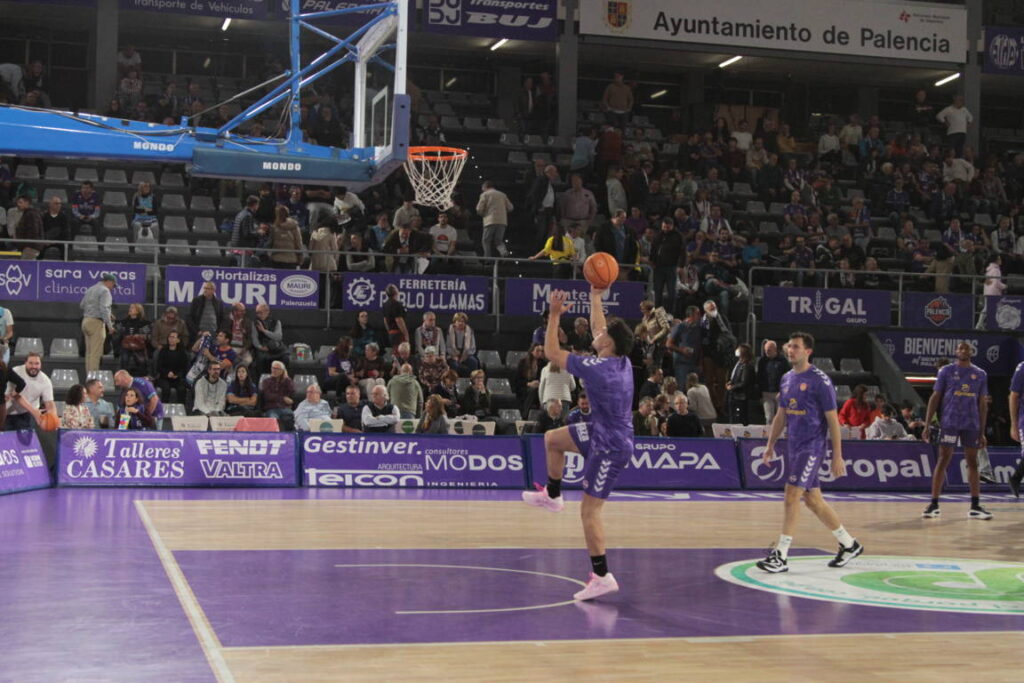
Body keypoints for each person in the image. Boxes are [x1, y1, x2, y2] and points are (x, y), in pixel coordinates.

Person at [522, 286, 635, 602]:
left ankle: (602, 576)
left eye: (602, 334)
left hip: (610, 446)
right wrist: (596, 295)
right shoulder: (620, 359)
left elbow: (552, 353)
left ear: (608, 344)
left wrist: (555, 316)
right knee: (552, 439)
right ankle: (554, 496)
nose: (596, 333)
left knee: (590, 512)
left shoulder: (598, 370)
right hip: (601, 429)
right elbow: (601, 326)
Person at [756, 332, 863, 574]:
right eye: (789, 346)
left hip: (812, 447)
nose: (790, 350)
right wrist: (770, 445)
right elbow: (781, 415)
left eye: (795, 347)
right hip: (794, 446)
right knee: (813, 501)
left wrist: (837, 455)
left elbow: (833, 421)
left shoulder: (820, 381)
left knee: (791, 495)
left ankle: (780, 555)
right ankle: (849, 544)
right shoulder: (786, 379)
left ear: (808, 351)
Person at [921, 341, 991, 519]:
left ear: (971, 352)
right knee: (943, 459)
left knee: (973, 462)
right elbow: (935, 397)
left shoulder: (980, 374)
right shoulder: (946, 371)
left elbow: (983, 404)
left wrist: (982, 431)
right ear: (955, 352)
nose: (963, 351)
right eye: (960, 348)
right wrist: (928, 424)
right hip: (950, 422)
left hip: (971, 423)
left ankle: (975, 505)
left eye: (966, 348)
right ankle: (934, 504)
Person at [79, 273, 117, 374]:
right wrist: (110, 326)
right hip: (96, 322)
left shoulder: (90, 289)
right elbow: (104, 308)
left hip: (86, 321)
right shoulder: (105, 291)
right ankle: (93, 379)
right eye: (113, 285)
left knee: (89, 353)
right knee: (95, 354)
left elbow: (82, 305)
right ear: (109, 282)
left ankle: (88, 377)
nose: (112, 288)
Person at [476, 180, 513, 258]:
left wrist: (482, 214)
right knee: (498, 241)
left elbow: (479, 209)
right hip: (502, 221)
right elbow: (510, 207)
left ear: (485, 187)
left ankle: (487, 259)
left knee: (486, 240)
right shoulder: (502, 194)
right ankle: (504, 253)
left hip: (490, 220)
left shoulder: (485, 194)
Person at [756, 340, 789, 425]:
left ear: (775, 349)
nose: (767, 352)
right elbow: (759, 377)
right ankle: (769, 435)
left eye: (769, 350)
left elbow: (787, 377)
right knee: (769, 417)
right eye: (765, 350)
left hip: (780, 392)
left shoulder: (782, 361)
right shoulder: (762, 361)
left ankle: (781, 435)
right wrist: (759, 393)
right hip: (766, 392)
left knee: (781, 417)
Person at [250, 303, 288, 375]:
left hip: (276, 347)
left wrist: (264, 331)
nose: (258, 315)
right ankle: (262, 381)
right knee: (261, 359)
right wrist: (260, 347)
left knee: (285, 358)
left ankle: (283, 379)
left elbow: (278, 337)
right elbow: (254, 339)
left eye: (260, 313)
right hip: (262, 348)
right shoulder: (255, 323)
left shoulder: (276, 322)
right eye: (257, 313)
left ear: (267, 311)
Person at [116, 303, 151, 376]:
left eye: (132, 308)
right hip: (126, 346)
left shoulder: (145, 323)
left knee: (142, 362)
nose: (130, 309)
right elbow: (118, 333)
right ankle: (123, 378)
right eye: (130, 307)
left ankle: (140, 379)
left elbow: (147, 336)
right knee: (124, 360)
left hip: (138, 346)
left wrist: (140, 336)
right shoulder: (123, 322)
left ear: (138, 311)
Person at [154, 330, 189, 404]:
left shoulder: (182, 352)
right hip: (164, 377)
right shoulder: (163, 351)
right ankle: (163, 410)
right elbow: (159, 367)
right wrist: (167, 373)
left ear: (178, 340)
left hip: (177, 378)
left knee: (182, 389)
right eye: (170, 337)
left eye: (173, 337)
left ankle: (181, 410)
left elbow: (185, 368)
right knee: (166, 389)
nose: (171, 339)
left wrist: (177, 375)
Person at [726, 343, 755, 425]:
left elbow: (744, 382)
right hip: (734, 396)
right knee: (733, 418)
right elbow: (735, 376)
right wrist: (730, 382)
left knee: (741, 419)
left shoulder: (747, 365)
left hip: (741, 397)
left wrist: (732, 387)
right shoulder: (739, 363)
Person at [1008, 360, 1024, 498]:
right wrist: (1014, 424)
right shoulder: (1022, 367)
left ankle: (1016, 477)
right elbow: (1013, 396)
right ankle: (1015, 478)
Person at [382, 284, 409, 349]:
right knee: (401, 352)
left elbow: (385, 320)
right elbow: (399, 320)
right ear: (396, 292)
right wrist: (405, 334)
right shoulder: (397, 304)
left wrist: (389, 331)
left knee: (394, 352)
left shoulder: (385, 304)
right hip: (398, 333)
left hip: (391, 333)